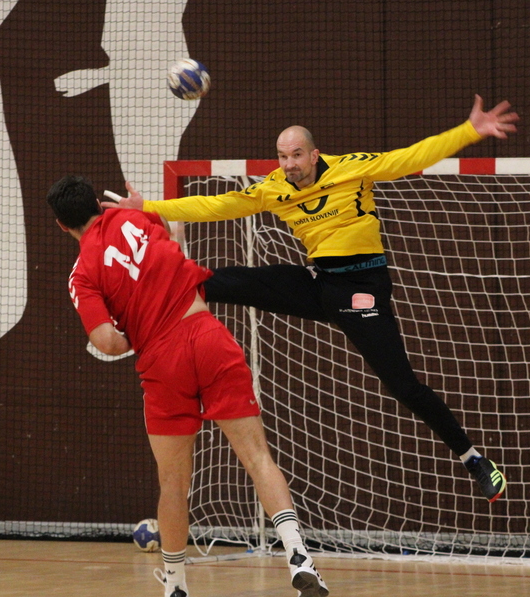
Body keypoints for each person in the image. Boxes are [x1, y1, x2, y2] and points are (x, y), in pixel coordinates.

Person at [104, 95, 518, 503]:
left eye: (296, 155)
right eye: (283, 157)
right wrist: (150, 209)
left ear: (314, 153)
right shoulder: (274, 188)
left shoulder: (352, 169)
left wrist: (470, 130)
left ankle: (474, 458)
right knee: (215, 282)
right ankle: (134, 323)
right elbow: (218, 205)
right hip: (319, 284)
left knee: (403, 386)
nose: (289, 165)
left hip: (362, 290)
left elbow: (409, 157)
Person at [46, 175, 329, 597]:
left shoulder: (82, 273)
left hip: (162, 361)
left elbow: (104, 341)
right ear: (98, 206)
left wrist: (133, 336)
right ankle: (297, 554)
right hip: (207, 336)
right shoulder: (136, 219)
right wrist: (146, 208)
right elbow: (172, 237)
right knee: (257, 458)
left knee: (174, 484)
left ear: (61, 226)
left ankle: (176, 585)